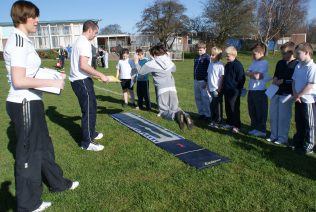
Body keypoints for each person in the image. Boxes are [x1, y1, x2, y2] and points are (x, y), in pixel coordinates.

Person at [4, 1, 79, 211]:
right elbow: (19, 80)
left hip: (32, 101)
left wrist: (54, 75)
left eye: (37, 16)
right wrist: (52, 83)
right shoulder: (18, 41)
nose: (37, 20)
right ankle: (28, 204)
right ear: (22, 17)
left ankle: (57, 183)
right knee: (29, 154)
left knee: (44, 147)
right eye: (33, 16)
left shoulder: (24, 41)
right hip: (23, 102)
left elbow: (30, 72)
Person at [70, 20, 109, 151]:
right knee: (89, 110)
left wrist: (93, 76)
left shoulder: (78, 41)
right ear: (90, 30)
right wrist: (101, 75)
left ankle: (91, 133)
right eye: (95, 33)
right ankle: (86, 143)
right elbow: (83, 65)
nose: (95, 35)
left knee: (91, 107)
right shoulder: (85, 43)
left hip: (81, 80)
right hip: (81, 81)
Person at [134, 43, 193, 130]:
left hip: (162, 89)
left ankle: (175, 116)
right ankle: (185, 115)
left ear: (154, 54)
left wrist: (136, 61)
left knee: (163, 112)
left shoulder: (152, 63)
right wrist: (168, 58)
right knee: (175, 108)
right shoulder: (168, 60)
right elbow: (174, 69)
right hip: (172, 88)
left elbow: (141, 72)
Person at [267, 42, 298, 145]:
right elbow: (276, 74)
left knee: (283, 117)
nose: (282, 55)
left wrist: (283, 81)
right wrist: (275, 79)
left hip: (287, 94)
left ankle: (282, 138)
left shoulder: (297, 64)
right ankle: (273, 135)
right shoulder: (280, 62)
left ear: (291, 52)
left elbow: (296, 80)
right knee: (273, 115)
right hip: (276, 92)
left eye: (284, 53)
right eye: (282, 53)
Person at [291, 42, 316, 155]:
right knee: (299, 122)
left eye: (298, 53)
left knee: (309, 123)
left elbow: (310, 85)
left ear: (306, 53)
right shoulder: (298, 65)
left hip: (308, 100)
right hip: (298, 99)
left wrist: (298, 95)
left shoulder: (312, 67)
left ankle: (309, 145)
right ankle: (298, 143)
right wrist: (296, 95)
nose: (296, 56)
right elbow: (294, 81)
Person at [246, 43, 269, 137]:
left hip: (259, 90)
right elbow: (246, 72)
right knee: (252, 110)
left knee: (260, 111)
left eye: (254, 54)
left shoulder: (264, 63)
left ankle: (261, 130)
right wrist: (252, 74)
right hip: (251, 89)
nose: (253, 56)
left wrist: (252, 74)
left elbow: (258, 77)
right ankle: (254, 127)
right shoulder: (254, 62)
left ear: (261, 54)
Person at [222, 46, 245, 133]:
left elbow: (241, 79)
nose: (227, 57)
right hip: (227, 90)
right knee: (227, 107)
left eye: (228, 56)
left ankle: (236, 125)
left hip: (234, 91)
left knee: (234, 108)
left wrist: (237, 89)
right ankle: (229, 122)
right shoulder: (227, 65)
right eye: (226, 56)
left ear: (234, 55)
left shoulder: (237, 65)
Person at [207, 47, 225, 129]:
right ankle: (213, 120)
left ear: (218, 56)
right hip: (210, 88)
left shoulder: (220, 65)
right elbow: (209, 75)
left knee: (217, 106)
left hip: (216, 89)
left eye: (213, 55)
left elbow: (221, 77)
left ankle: (218, 121)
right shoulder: (210, 64)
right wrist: (207, 85)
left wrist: (219, 88)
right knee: (212, 105)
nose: (211, 56)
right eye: (211, 54)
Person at [193, 43, 211, 120]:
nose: (199, 51)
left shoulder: (207, 58)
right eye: (198, 50)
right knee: (198, 98)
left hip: (203, 81)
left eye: (201, 50)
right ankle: (201, 113)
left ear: (205, 49)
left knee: (205, 98)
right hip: (196, 80)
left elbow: (209, 71)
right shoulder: (197, 57)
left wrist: (206, 81)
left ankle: (208, 114)